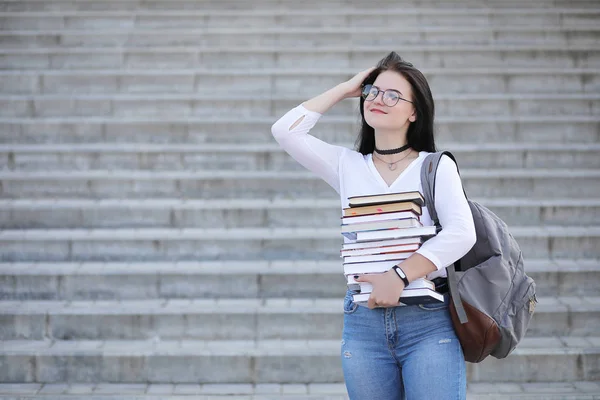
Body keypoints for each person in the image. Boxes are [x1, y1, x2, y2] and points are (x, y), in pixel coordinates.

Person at [270, 51, 476, 400]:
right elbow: (285, 131)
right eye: (373, 92)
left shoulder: (434, 167)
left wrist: (398, 275)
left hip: (426, 323)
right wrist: (345, 88)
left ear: (414, 112)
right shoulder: (347, 166)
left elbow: (461, 233)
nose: (378, 99)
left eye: (393, 95)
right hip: (363, 324)